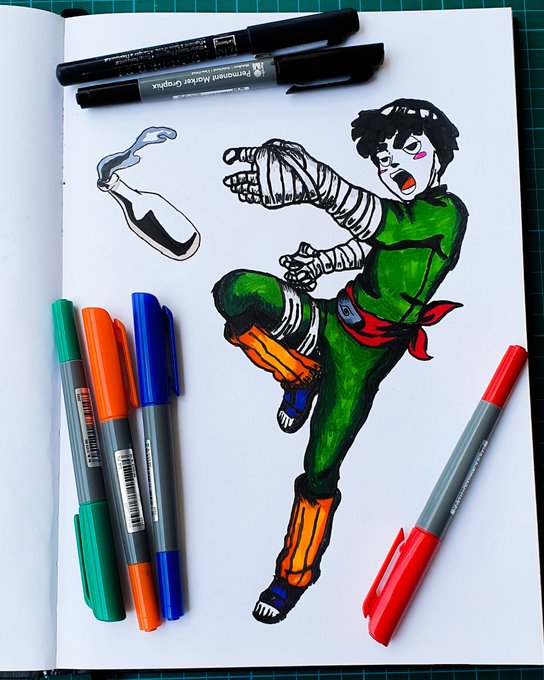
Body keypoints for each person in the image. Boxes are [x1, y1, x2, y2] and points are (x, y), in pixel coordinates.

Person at [213, 98, 469, 624]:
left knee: (320, 467)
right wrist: (318, 263)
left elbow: (384, 226)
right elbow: (366, 248)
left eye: (409, 148)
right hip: (329, 320)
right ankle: (300, 376)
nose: (394, 164)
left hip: (361, 359)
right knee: (235, 292)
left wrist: (315, 183)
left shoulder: (444, 213)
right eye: (383, 158)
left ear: (439, 154)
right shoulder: (397, 221)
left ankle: (294, 575)